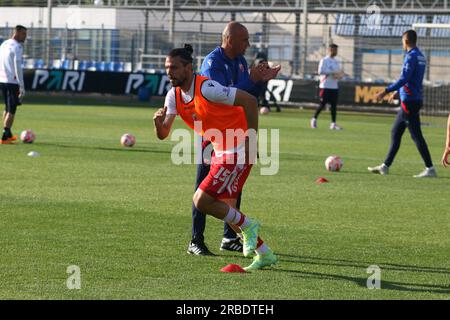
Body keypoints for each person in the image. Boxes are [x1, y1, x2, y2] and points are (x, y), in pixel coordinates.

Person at [153, 44, 277, 271]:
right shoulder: (173, 96)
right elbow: (163, 134)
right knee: (229, 212)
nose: (169, 72)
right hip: (221, 151)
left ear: (189, 68)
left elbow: (249, 101)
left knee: (201, 200)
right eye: (167, 68)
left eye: (174, 67)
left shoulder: (207, 87)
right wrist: (157, 124)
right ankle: (264, 253)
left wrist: (251, 139)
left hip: (238, 147)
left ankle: (250, 227)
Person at [184, 21, 280, 255]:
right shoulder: (212, 63)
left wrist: (259, 80)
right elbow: (220, 98)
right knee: (203, 186)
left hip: (234, 133)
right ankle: (196, 240)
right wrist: (251, 79)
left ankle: (230, 237)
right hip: (213, 134)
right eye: (245, 40)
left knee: (234, 186)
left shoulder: (239, 61)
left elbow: (245, 97)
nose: (248, 44)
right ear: (230, 39)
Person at [369, 30, 436, 178]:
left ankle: (430, 168)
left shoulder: (410, 57)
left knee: (416, 136)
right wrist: (398, 92)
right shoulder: (421, 56)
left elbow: (404, 78)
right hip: (414, 98)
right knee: (396, 132)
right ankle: (385, 166)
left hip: (409, 102)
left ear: (405, 41)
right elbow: (412, 79)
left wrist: (385, 91)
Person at [0, 25, 27, 144]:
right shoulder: (17, 46)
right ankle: (4, 136)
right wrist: (21, 85)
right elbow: (17, 66)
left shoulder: (4, 44)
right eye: (23, 34)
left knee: (7, 107)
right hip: (12, 81)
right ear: (17, 32)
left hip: (2, 80)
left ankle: (8, 133)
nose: (25, 37)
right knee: (12, 109)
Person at [311, 43, 344, 130]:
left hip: (334, 86)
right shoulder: (324, 60)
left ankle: (333, 124)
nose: (336, 52)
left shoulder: (336, 61)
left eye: (336, 50)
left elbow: (338, 73)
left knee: (334, 106)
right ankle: (314, 119)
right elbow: (320, 71)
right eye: (334, 50)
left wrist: (339, 75)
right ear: (329, 50)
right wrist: (332, 73)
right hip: (325, 86)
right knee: (322, 104)